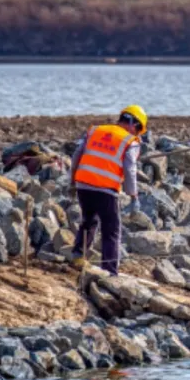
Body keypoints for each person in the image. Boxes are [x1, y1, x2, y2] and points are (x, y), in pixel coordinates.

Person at [69, 105, 147, 275]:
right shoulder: (130, 141)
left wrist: (72, 181)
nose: (138, 134)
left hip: (83, 185)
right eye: (139, 129)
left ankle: (77, 256)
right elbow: (130, 169)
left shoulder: (95, 131)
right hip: (106, 190)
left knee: (88, 220)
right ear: (134, 124)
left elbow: (77, 155)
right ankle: (110, 271)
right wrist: (133, 196)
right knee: (111, 230)